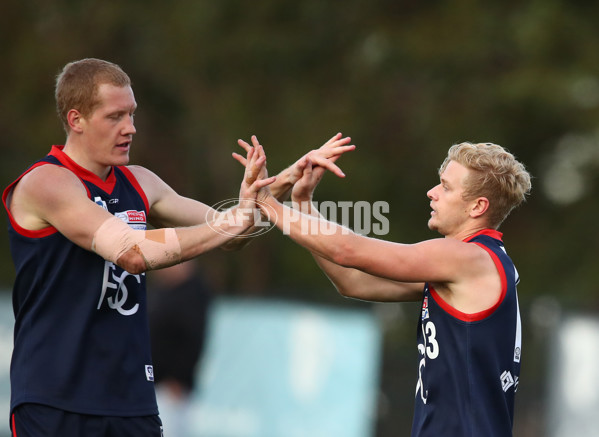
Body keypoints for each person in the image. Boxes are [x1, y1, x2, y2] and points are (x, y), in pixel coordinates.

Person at [1, 58, 354, 437]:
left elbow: (229, 232)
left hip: (131, 401)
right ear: (76, 120)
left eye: (132, 114)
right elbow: (133, 252)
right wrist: (234, 219)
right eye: (115, 116)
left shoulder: (140, 182)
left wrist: (283, 180)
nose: (130, 128)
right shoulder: (46, 183)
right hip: (54, 400)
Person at [248, 138, 531, 437]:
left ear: (477, 206)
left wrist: (266, 202)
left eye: (446, 187)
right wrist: (303, 205)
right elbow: (352, 281)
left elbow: (347, 251)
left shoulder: (468, 257)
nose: (432, 193)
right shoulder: (469, 266)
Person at [147, 261, 213, 437]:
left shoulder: (193, 294)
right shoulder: (161, 291)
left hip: (170, 387)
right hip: (150, 384)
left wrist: (179, 378)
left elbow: (193, 340)